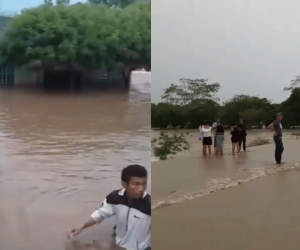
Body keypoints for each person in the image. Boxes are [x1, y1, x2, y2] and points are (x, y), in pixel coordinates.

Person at [68, 164, 151, 250]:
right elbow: (100, 214)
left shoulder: (150, 206)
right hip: (118, 244)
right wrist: (81, 228)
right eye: (136, 184)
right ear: (124, 185)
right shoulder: (114, 198)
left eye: (144, 184)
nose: (141, 189)